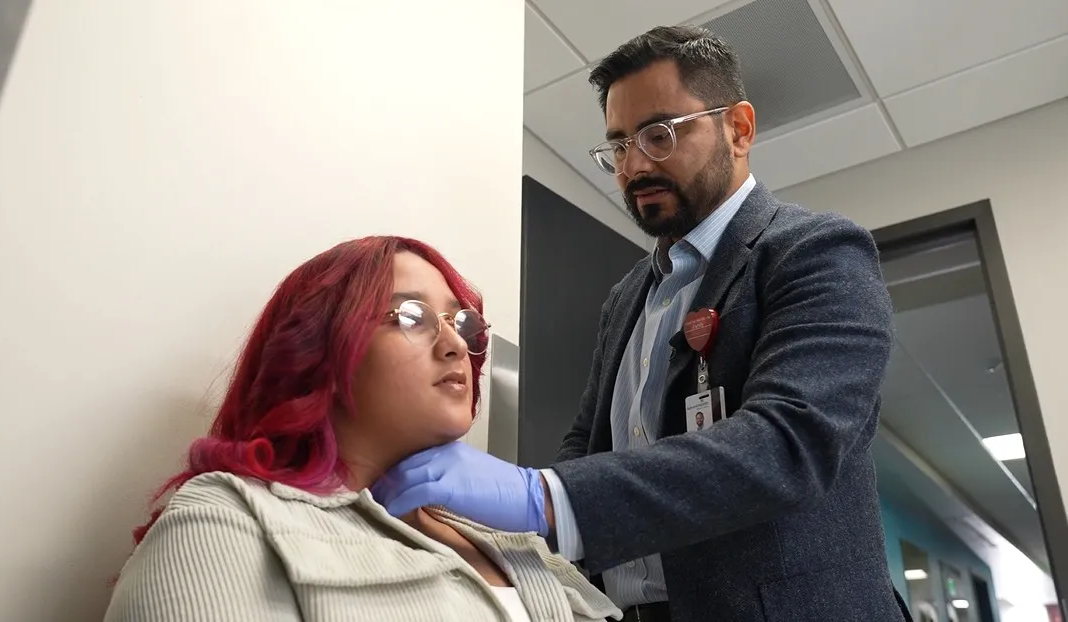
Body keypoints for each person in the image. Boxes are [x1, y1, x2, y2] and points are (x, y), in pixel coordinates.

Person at [371, 27, 914, 622]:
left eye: (659, 135)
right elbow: (587, 443)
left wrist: (541, 499)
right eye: (619, 145)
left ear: (739, 129)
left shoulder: (816, 250)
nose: (634, 165)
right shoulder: (629, 295)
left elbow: (790, 445)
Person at [104, 236, 621, 622]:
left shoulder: (504, 535)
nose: (456, 345)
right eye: (413, 316)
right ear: (320, 352)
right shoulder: (227, 520)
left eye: (461, 323)